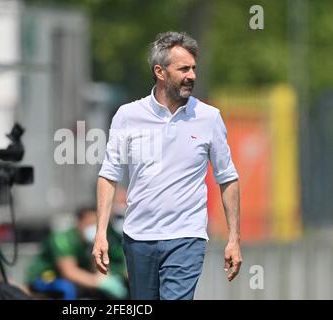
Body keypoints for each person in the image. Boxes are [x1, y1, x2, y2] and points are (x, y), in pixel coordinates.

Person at [93, 31, 242, 300]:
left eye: (194, 68)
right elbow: (109, 175)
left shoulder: (209, 117)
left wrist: (234, 238)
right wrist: (100, 233)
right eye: (183, 68)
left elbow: (227, 177)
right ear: (160, 72)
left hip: (187, 236)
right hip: (138, 237)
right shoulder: (128, 116)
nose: (192, 75)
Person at [26, 207, 127, 300]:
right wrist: (98, 282)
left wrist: (106, 278)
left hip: (73, 278)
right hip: (46, 277)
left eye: (96, 224)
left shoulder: (92, 241)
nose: (93, 227)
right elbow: (69, 272)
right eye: (89, 223)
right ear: (79, 222)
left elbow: (96, 265)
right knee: (67, 289)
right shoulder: (63, 239)